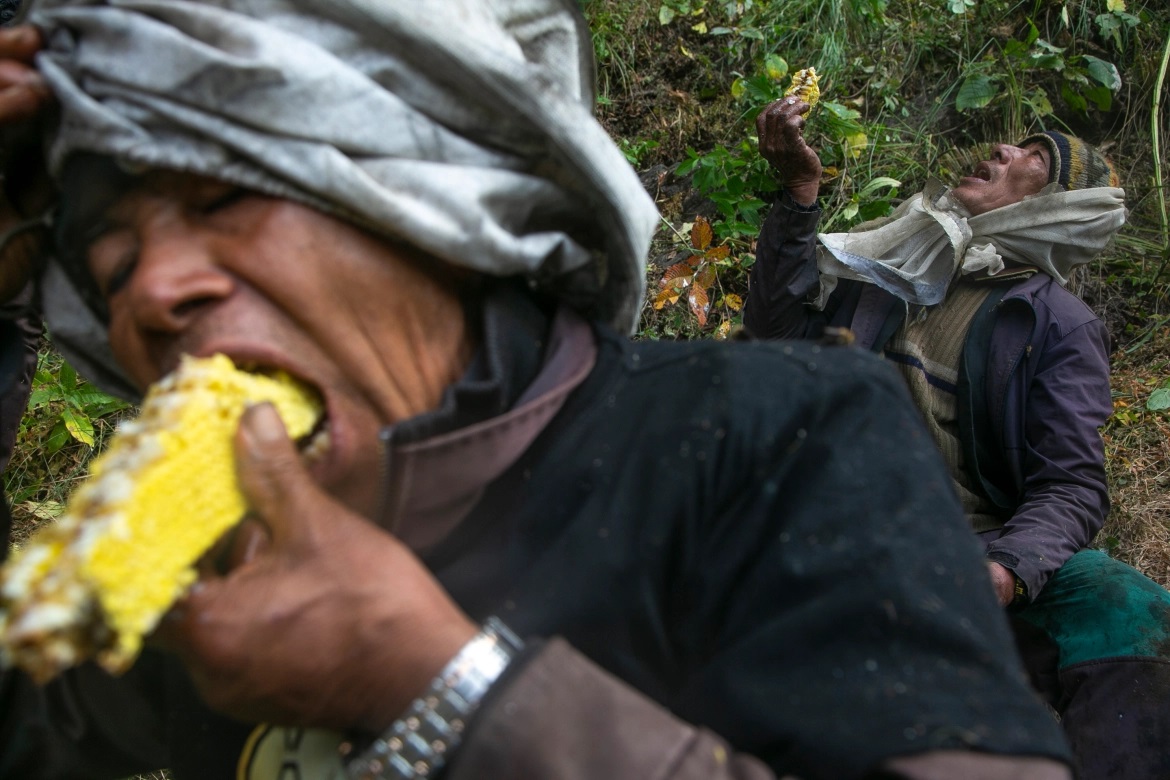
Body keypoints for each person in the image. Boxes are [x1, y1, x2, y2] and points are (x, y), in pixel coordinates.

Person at [0, 3, 1080, 778]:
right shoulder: (211, 560)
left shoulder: (779, 436)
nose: (149, 291)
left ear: (428, 207)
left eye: (224, 195)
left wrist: (445, 690)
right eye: (106, 262)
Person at [745, 94, 1170, 780]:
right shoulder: (891, 268)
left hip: (959, 555)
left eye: (1034, 159)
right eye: (1014, 144)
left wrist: (1002, 571)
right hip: (827, 532)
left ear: (1059, 210)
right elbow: (775, 343)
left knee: (1127, 607)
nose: (1005, 150)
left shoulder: (1056, 324)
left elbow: (1070, 485)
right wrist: (799, 195)